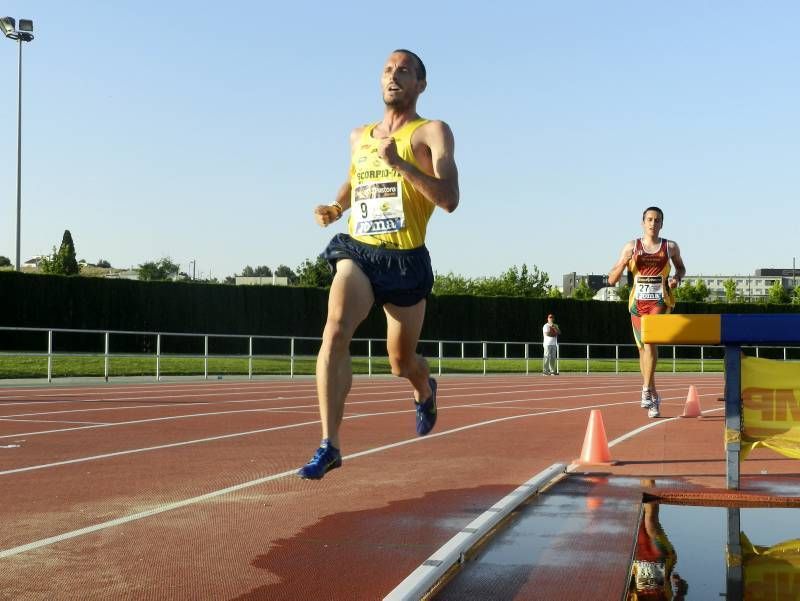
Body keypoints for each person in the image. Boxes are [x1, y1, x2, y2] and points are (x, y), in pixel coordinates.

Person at [297, 49, 460, 479]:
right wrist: (335, 207)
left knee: (400, 363)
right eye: (388, 70)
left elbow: (449, 200)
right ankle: (329, 443)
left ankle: (424, 388)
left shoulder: (433, 132)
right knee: (334, 329)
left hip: (406, 261)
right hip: (361, 251)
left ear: (420, 84)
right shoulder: (359, 136)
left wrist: (400, 163)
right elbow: (354, 182)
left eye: (404, 70)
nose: (394, 76)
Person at [608, 207, 685, 418]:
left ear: (662, 224)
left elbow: (681, 269)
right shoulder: (631, 247)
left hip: (660, 300)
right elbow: (611, 280)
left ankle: (644, 390)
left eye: (657, 220)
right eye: (649, 219)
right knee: (643, 349)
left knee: (650, 341)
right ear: (642, 223)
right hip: (637, 304)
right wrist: (624, 262)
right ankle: (653, 393)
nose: (653, 223)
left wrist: (676, 279)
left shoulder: (670, 247)